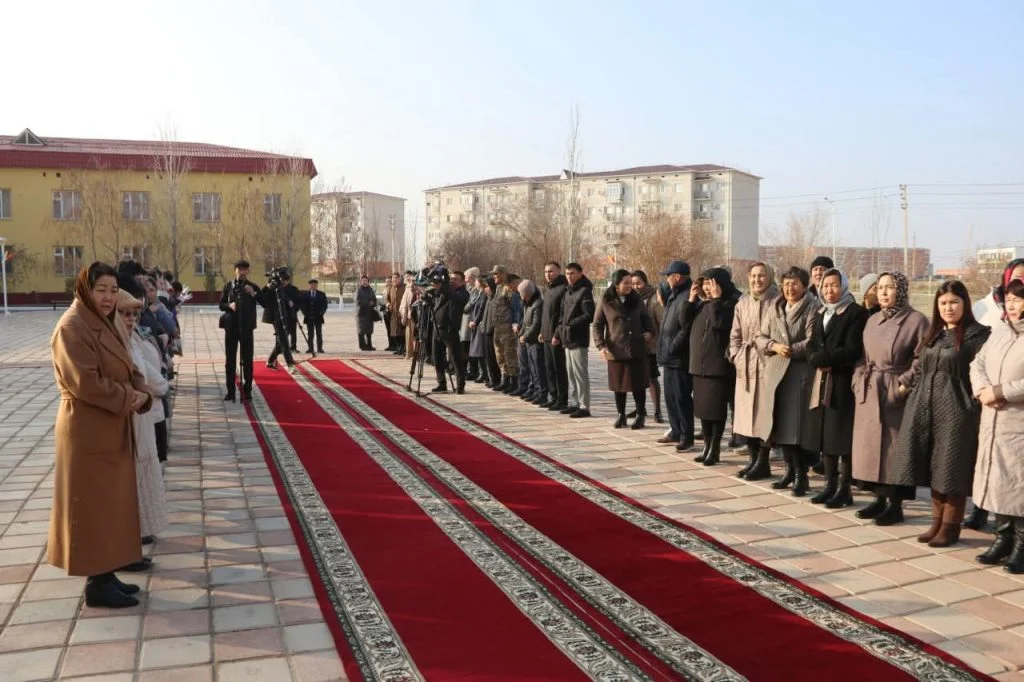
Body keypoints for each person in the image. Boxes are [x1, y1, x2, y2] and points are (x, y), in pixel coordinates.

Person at [49, 262, 152, 608]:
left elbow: (126, 364)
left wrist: (141, 390)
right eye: (101, 289)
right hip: (87, 428)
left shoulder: (100, 322)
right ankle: (96, 583)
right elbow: (86, 383)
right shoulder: (72, 327)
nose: (108, 297)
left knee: (111, 506)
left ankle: (106, 574)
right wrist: (130, 398)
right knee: (93, 507)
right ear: (85, 289)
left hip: (109, 425)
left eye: (112, 290)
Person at [888, 281, 990, 547]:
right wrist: (908, 389)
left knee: (951, 468)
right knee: (933, 466)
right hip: (924, 408)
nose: (948, 308)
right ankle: (936, 521)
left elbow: (982, 374)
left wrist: (974, 404)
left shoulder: (977, 336)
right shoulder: (933, 334)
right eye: (943, 303)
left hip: (958, 412)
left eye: (954, 302)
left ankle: (951, 525)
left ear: (965, 304)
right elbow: (920, 368)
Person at [851, 272, 929, 525]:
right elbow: (863, 356)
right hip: (870, 388)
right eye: (880, 287)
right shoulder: (873, 320)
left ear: (901, 290)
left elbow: (922, 359)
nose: (883, 293)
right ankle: (878, 498)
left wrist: (903, 386)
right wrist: (857, 378)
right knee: (872, 448)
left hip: (896, 391)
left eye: (890, 287)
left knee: (893, 448)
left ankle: (895, 504)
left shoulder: (916, 320)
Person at [965, 258, 1024, 530]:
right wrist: (982, 390)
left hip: (1017, 421)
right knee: (996, 478)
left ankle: (1021, 546)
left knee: (1018, 482)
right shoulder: (1000, 330)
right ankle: (1003, 538)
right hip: (992, 419)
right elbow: (977, 363)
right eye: (1009, 299)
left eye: (1019, 299)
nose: (1012, 305)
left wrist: (1000, 392)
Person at [802, 269, 869, 508]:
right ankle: (829, 485)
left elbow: (853, 348)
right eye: (825, 286)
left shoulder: (855, 312)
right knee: (825, 434)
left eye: (834, 285)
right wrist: (814, 358)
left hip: (842, 382)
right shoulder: (820, 311)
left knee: (842, 437)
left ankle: (844, 489)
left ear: (844, 286)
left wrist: (827, 359)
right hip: (821, 381)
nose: (829, 290)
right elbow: (811, 343)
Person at [755, 267, 817, 494]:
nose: (790, 288)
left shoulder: (812, 307)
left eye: (795, 284)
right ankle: (788, 472)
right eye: (786, 283)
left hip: (798, 375)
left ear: (804, 286)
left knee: (796, 430)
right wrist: (773, 346)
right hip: (775, 374)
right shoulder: (775, 306)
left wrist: (790, 349)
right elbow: (760, 337)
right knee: (780, 428)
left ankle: (802, 475)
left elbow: (812, 341)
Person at [116, 290, 169, 546]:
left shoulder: (132, 339)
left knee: (146, 474)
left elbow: (147, 374)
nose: (130, 319)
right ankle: (129, 537)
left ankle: (139, 531)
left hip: (145, 413)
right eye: (124, 314)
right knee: (132, 480)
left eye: (134, 314)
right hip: (131, 416)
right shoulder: (114, 343)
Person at [728, 262, 779, 480]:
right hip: (745, 366)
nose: (757, 280)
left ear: (769, 277)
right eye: (754, 275)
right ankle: (752, 459)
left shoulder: (777, 302)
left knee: (764, 416)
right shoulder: (743, 302)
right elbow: (735, 335)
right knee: (746, 416)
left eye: (762, 276)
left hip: (768, 364)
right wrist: (737, 356)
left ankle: (763, 461)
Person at [687, 268, 739, 465]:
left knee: (716, 411)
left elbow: (719, 324)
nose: (708, 287)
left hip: (717, 368)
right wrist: (691, 300)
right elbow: (684, 322)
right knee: (703, 410)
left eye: (711, 283)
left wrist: (716, 300)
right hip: (698, 367)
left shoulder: (730, 303)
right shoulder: (702, 305)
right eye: (705, 283)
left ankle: (715, 449)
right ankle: (707, 446)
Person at [593, 269, 655, 429]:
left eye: (631, 283)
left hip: (636, 347)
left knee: (638, 385)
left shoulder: (637, 299)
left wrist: (649, 333)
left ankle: (640, 414)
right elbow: (598, 325)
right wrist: (601, 346)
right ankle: (621, 415)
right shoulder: (606, 300)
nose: (630, 286)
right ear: (616, 284)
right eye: (625, 283)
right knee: (618, 385)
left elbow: (647, 319)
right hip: (616, 348)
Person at [657, 260, 696, 451]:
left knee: (681, 398)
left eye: (668, 276)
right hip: (669, 356)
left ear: (677, 277)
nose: (666, 279)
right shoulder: (674, 295)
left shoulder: (689, 295)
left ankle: (687, 436)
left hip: (680, 356)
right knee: (670, 397)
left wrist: (673, 347)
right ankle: (675, 430)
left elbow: (686, 327)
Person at [219, 260, 263, 402]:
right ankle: (230, 390)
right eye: (240, 269)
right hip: (231, 328)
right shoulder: (229, 286)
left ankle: (247, 389)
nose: (242, 272)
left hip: (247, 328)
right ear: (235, 270)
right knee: (230, 360)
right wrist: (229, 305)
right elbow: (221, 305)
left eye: (245, 269)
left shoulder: (252, 286)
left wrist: (254, 293)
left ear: (247, 271)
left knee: (248, 360)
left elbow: (264, 302)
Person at [556, 262, 595, 418]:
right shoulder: (568, 291)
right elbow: (562, 314)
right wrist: (559, 332)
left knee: (580, 374)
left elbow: (589, 315)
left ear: (580, 273)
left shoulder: (585, 291)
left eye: (572, 273)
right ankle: (576, 403)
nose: (569, 276)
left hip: (578, 338)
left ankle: (584, 406)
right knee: (571, 373)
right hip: (567, 337)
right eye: (567, 273)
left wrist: (571, 325)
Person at [631, 270, 665, 423]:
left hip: (651, 345)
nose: (636, 286)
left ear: (645, 282)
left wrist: (653, 337)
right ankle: (640, 408)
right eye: (633, 283)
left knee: (652, 378)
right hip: (634, 345)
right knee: (636, 377)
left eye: (638, 283)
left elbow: (662, 321)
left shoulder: (653, 298)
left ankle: (657, 411)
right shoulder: (631, 298)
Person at [431, 269, 471, 394]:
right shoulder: (444, 291)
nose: (452, 281)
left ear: (462, 282)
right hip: (437, 328)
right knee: (437, 357)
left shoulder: (463, 293)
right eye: (451, 279)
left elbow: (455, 297)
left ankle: (460, 385)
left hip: (450, 329)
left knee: (455, 358)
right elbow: (436, 297)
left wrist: (446, 284)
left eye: (455, 279)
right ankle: (441, 383)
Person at [540, 262, 570, 411]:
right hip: (546, 335)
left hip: (556, 336)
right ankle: (553, 396)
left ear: (559, 271)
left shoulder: (563, 289)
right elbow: (546, 314)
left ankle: (562, 398)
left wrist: (557, 334)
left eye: (551, 271)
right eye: (546, 271)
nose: (548, 274)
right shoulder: (548, 289)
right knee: (549, 368)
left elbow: (562, 315)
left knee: (559, 369)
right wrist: (542, 331)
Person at [488, 266, 520, 393]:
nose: (494, 276)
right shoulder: (498, 288)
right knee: (500, 355)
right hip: (498, 328)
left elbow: (516, 308)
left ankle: (514, 382)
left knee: (510, 355)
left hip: (507, 328)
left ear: (503, 274)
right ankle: (504, 379)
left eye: (496, 274)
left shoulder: (508, 289)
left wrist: (515, 323)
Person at [518, 279, 548, 404]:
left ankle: (542, 393)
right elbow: (526, 322)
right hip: (529, 342)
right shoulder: (529, 303)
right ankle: (535, 390)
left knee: (538, 368)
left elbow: (536, 324)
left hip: (535, 341)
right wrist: (521, 333)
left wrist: (525, 336)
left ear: (527, 294)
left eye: (522, 295)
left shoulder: (537, 304)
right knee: (532, 368)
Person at [262, 271, 296, 370]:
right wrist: (267, 287)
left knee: (281, 341)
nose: (286, 282)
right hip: (276, 317)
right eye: (284, 280)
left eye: (287, 280)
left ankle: (270, 361)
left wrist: (288, 301)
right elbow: (262, 297)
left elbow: (282, 296)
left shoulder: (281, 288)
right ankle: (290, 364)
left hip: (284, 316)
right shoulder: (272, 287)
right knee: (284, 340)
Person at [467, 275, 490, 383]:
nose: (475, 283)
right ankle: (483, 373)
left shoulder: (483, 294)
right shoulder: (479, 293)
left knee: (480, 351)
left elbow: (481, 309)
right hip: (476, 324)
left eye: (476, 281)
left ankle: (484, 373)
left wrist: (475, 321)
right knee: (477, 351)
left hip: (480, 325)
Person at [462, 267, 481, 378]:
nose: (466, 280)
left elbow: (468, 306)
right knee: (467, 346)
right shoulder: (470, 289)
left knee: (471, 347)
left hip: (471, 320)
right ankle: (469, 369)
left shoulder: (475, 290)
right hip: (467, 321)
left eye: (467, 277)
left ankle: (473, 371)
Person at [301, 279, 328, 353]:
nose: (313, 286)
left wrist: (321, 313)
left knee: (319, 334)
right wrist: (305, 314)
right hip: (309, 317)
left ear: (317, 285)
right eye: (311, 284)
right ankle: (310, 349)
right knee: (310, 334)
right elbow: (302, 306)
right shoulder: (305, 294)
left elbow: (324, 305)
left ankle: (320, 348)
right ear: (309, 285)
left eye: (314, 284)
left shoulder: (321, 294)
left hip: (318, 317)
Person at [279, 272, 301, 353]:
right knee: (283, 333)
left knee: (293, 332)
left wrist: (294, 308)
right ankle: (283, 348)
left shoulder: (294, 289)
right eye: (282, 280)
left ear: (288, 280)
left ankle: (293, 347)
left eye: (285, 280)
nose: (283, 282)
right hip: (281, 314)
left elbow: (298, 301)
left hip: (291, 314)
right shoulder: (279, 290)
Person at [355, 275, 378, 351]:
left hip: (369, 313)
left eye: (366, 281)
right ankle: (362, 346)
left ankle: (369, 345)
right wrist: (368, 303)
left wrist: (373, 303)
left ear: (368, 282)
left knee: (369, 331)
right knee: (361, 331)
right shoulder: (359, 290)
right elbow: (358, 301)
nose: (365, 282)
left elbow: (374, 300)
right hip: (361, 313)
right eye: (363, 281)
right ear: (361, 282)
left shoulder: (371, 290)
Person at [386, 273, 406, 352]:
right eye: (393, 278)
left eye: (396, 278)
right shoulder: (391, 288)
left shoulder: (404, 287)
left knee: (402, 332)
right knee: (394, 332)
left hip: (401, 313)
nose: (394, 279)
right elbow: (387, 299)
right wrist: (388, 305)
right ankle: (398, 348)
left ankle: (402, 348)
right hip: (393, 313)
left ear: (399, 279)